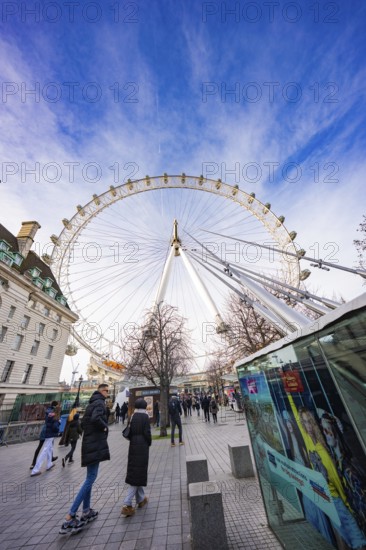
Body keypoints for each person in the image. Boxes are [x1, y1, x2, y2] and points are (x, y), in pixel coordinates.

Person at [59, 384, 110, 535]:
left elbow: (83, 423)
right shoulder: (100, 403)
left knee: (90, 478)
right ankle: (70, 517)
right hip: (95, 444)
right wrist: (105, 427)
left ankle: (86, 511)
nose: (107, 393)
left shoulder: (91, 404)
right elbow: (96, 419)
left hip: (89, 443)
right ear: (101, 391)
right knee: (90, 479)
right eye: (106, 390)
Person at [121, 398, 152, 517]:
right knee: (138, 473)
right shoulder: (145, 417)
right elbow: (147, 433)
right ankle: (127, 503)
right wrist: (149, 442)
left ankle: (141, 499)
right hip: (142, 446)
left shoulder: (132, 416)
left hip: (133, 445)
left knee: (135, 471)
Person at [31, 402, 60, 476]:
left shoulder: (49, 412)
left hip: (47, 432)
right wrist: (58, 424)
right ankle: (35, 469)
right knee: (45, 449)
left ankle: (49, 464)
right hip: (50, 433)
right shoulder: (55, 415)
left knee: (49, 448)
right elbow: (55, 427)